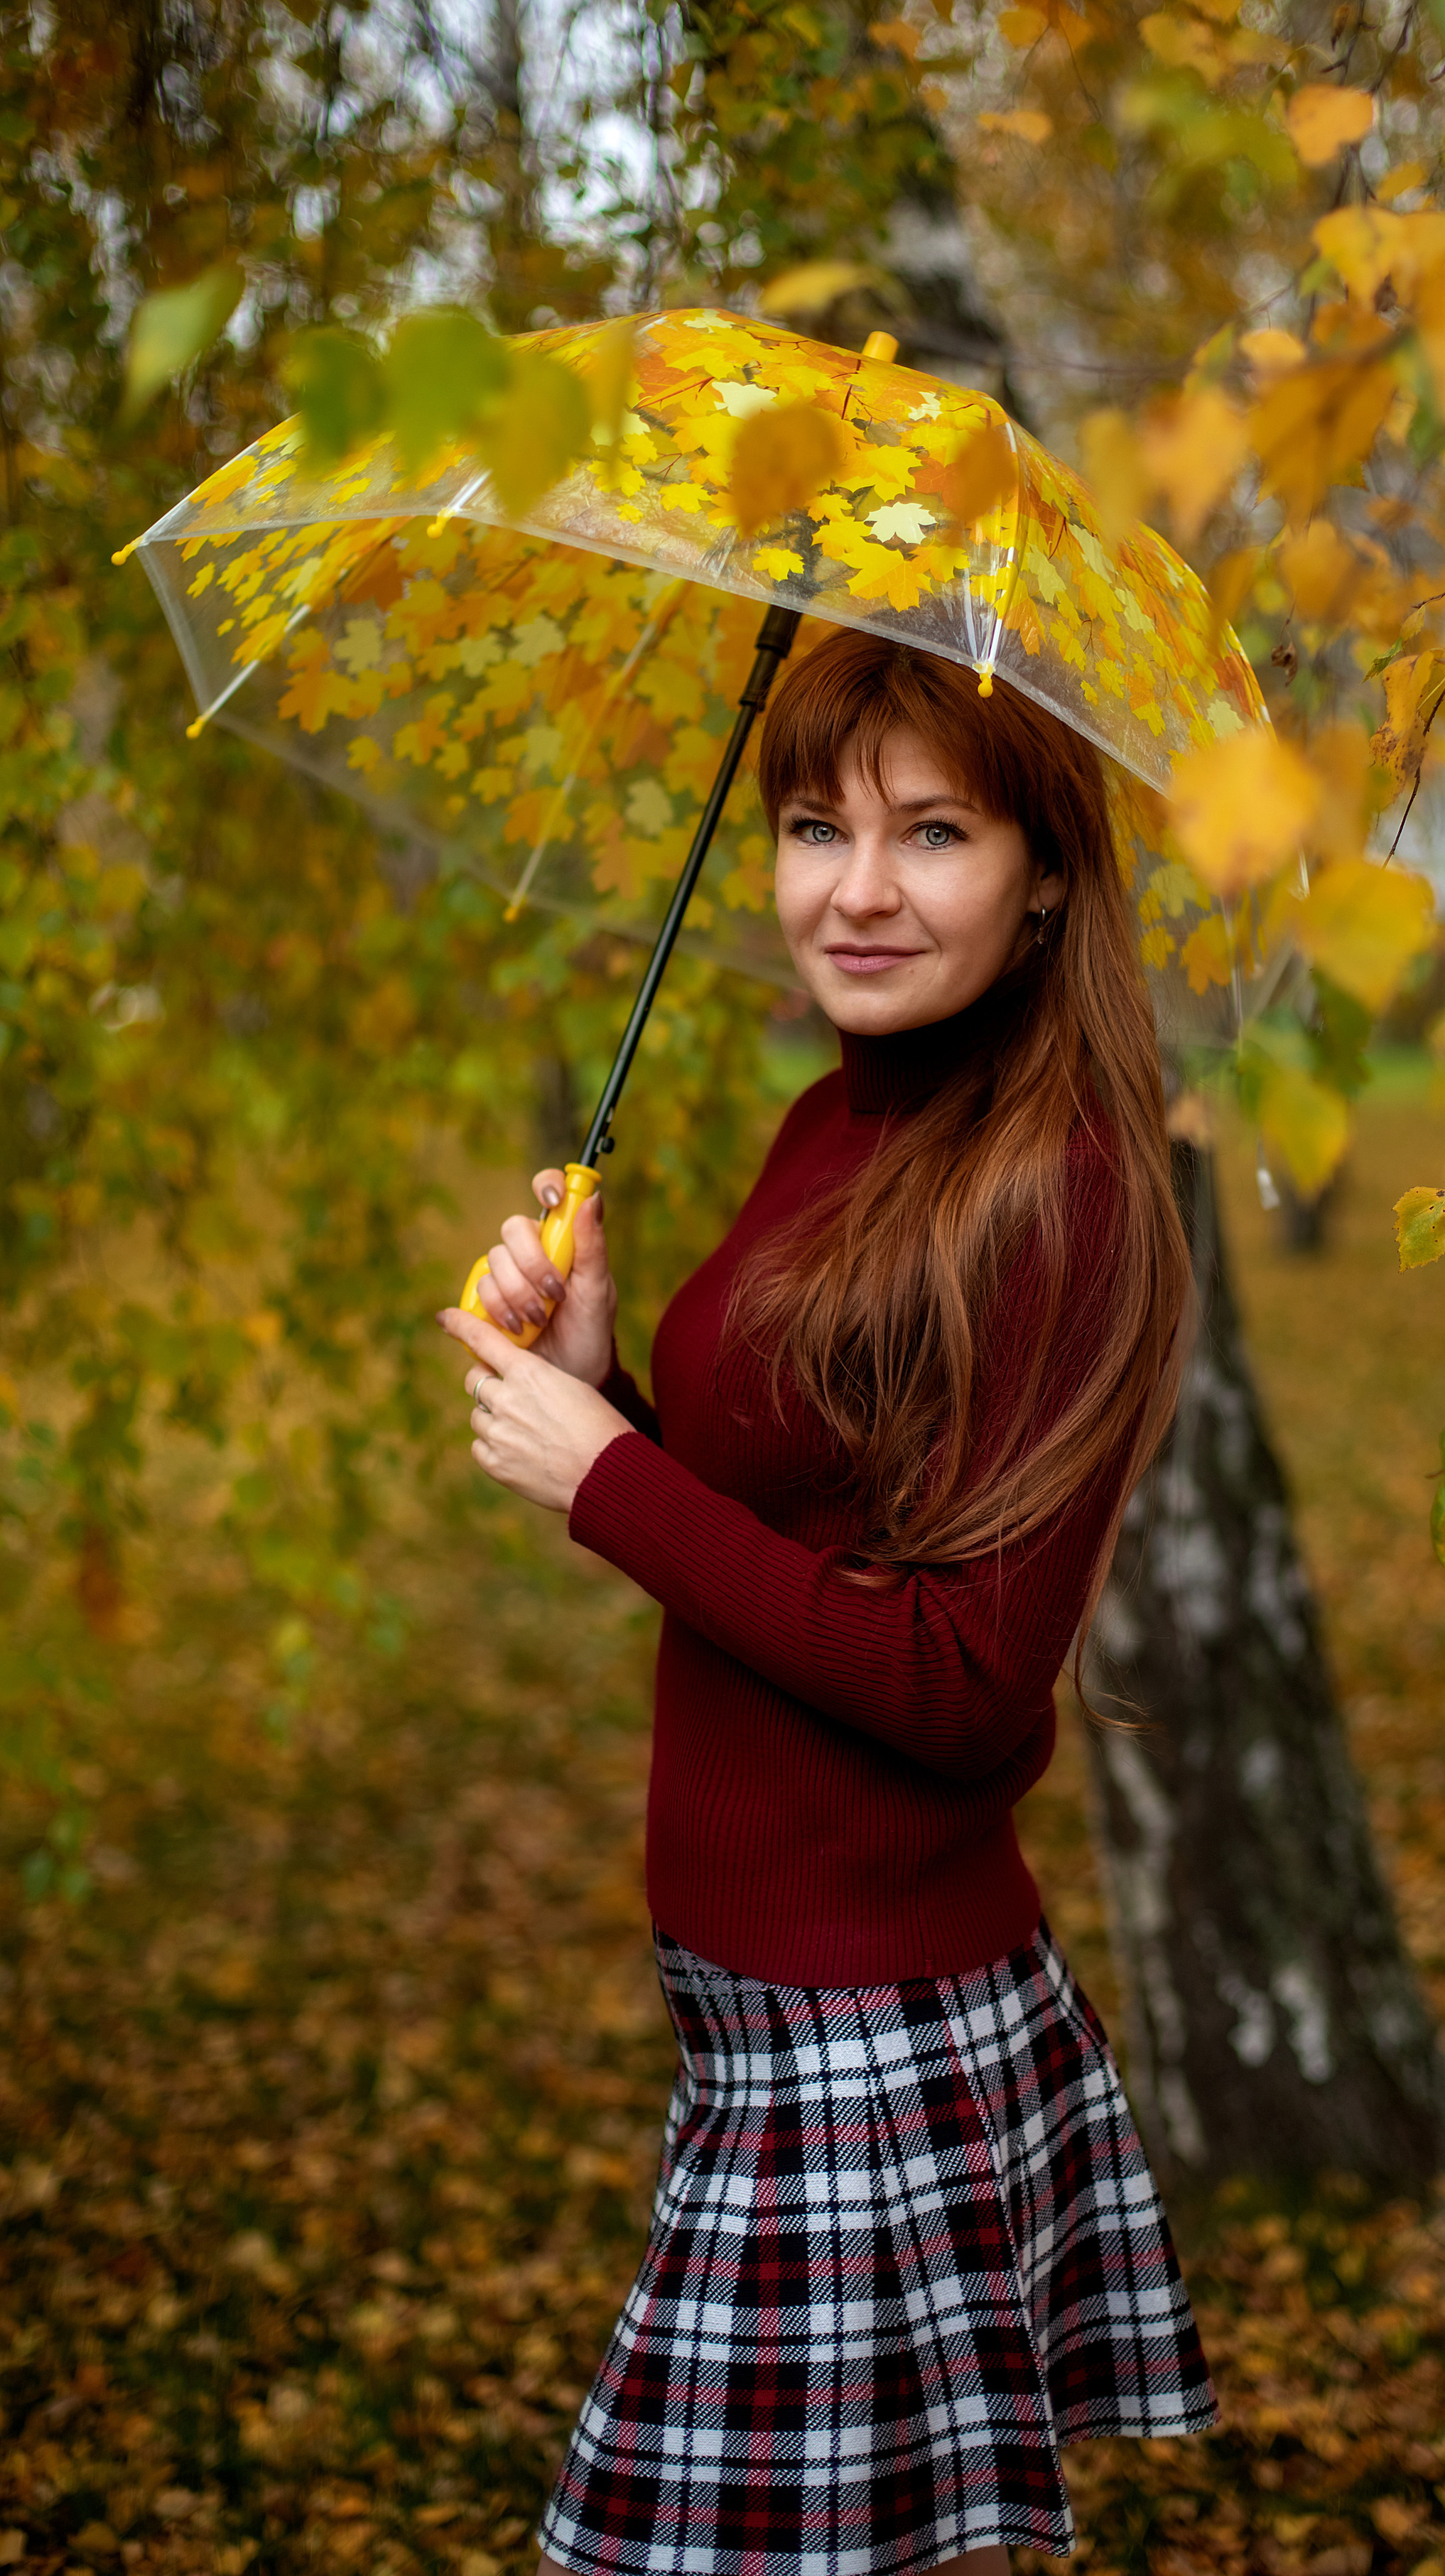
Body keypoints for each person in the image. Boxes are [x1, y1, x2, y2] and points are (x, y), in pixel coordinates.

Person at [438, 630, 1215, 2576]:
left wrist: (604, 1480)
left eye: (932, 832)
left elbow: (963, 1685)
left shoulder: (1066, 1188)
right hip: (761, 2012)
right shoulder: (842, 1119)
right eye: (812, 826)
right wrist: (614, 1385)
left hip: (866, 2033)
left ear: (1047, 879)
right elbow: (795, 1535)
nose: (853, 891)